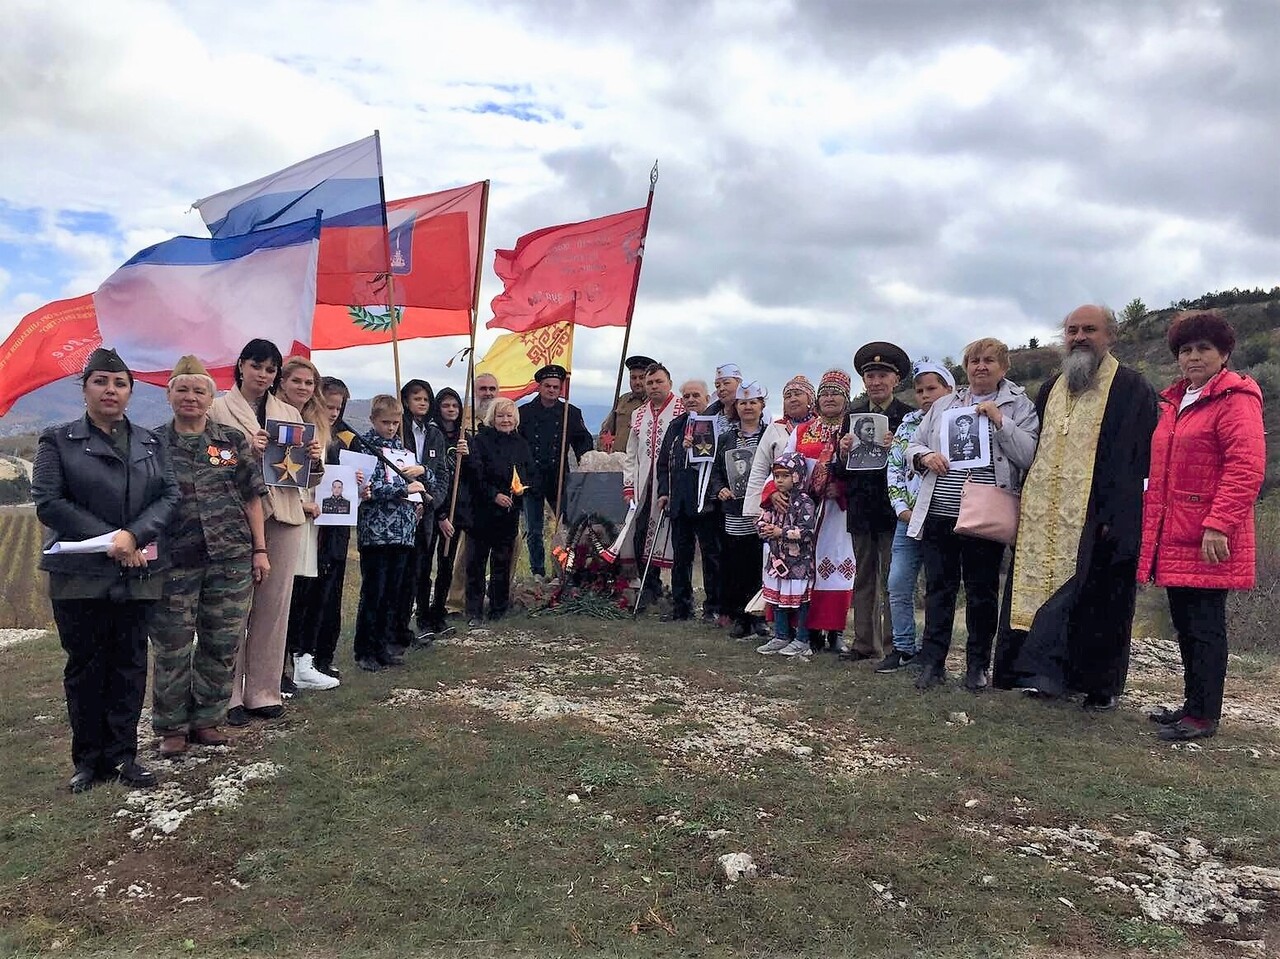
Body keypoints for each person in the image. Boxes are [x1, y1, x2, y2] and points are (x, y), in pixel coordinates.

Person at [993, 305, 1159, 708]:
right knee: (1040, 594)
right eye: (1072, 330)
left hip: (1098, 515)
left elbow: (1135, 458)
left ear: (1110, 336)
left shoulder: (1131, 388)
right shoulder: (1050, 388)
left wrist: (1115, 515)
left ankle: (1099, 687)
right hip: (1044, 514)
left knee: (1102, 599)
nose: (1079, 337)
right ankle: (1041, 674)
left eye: (1089, 330)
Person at [32, 347, 179, 792]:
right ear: (85, 388)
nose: (110, 390)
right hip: (81, 576)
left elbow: (169, 496)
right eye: (100, 381)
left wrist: (133, 536)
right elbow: (49, 501)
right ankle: (88, 762)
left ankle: (123, 756)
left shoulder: (153, 442)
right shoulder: (56, 440)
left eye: (119, 383)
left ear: (131, 391)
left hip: (138, 572)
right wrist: (111, 539)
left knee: (130, 665)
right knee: (86, 667)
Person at [1139, 313, 1265, 741]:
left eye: (1203, 349)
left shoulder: (1236, 399)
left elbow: (1246, 468)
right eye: (1186, 350)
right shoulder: (1177, 402)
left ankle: (1204, 715)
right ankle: (1192, 706)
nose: (1193, 357)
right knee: (1186, 624)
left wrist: (1219, 524)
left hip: (1210, 536)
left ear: (1223, 353)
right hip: (1173, 533)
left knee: (1205, 625)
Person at [149, 355, 269, 758]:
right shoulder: (152, 444)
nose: (191, 397)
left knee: (222, 641)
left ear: (210, 396)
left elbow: (252, 497)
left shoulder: (230, 442)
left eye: (199, 390)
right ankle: (171, 726)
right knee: (173, 645)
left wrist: (260, 549)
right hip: (173, 560)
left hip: (229, 557)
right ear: (169, 395)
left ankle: (207, 719)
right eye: (182, 389)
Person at [906, 338, 1040, 691]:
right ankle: (932, 663)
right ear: (965, 367)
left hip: (986, 512)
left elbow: (1029, 455)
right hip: (941, 508)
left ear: (1004, 367)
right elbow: (914, 443)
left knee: (982, 592)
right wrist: (923, 458)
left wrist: (1000, 422)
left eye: (989, 361)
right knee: (939, 588)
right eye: (974, 361)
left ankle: (977, 666)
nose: (981, 366)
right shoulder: (945, 403)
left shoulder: (1019, 405)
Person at [210, 339, 323, 725]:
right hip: (236, 515)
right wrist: (244, 451)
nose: (263, 375)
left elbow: (307, 477)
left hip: (286, 514)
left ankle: (263, 690)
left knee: (274, 607)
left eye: (270, 369)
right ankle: (228, 695)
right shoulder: (218, 409)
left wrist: (314, 461)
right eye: (256, 366)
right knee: (233, 607)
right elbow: (209, 459)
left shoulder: (288, 412)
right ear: (240, 366)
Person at [760, 369, 856, 653]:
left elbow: (864, 472)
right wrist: (773, 492)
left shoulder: (851, 430)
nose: (829, 398)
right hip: (799, 512)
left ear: (846, 399)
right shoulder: (803, 431)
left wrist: (843, 490)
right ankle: (801, 630)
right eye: (824, 393)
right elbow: (782, 465)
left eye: (835, 393)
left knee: (835, 568)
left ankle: (835, 631)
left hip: (837, 514)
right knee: (797, 568)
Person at [837, 342, 914, 662]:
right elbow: (839, 470)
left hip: (894, 509)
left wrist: (900, 447)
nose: (876, 382)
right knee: (864, 577)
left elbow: (917, 466)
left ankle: (895, 644)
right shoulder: (852, 416)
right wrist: (842, 452)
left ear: (896, 380)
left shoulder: (908, 416)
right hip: (860, 507)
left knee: (894, 579)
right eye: (870, 376)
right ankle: (864, 642)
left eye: (882, 375)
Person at [878, 362, 955, 673]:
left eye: (932, 389)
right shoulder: (909, 425)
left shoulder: (958, 421)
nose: (925, 395)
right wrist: (902, 509)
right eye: (920, 390)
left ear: (949, 390)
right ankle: (903, 647)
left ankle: (933, 652)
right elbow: (895, 469)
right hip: (908, 520)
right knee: (898, 583)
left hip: (942, 516)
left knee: (938, 586)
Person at [353, 395, 428, 671]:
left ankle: (384, 646)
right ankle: (365, 650)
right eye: (386, 422)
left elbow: (422, 483)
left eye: (396, 423)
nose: (391, 428)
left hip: (403, 530)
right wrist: (401, 489)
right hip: (376, 531)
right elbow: (365, 489)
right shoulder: (364, 446)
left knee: (394, 593)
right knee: (374, 591)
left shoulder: (403, 450)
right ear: (374, 420)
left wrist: (422, 471)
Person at [279, 356, 340, 694]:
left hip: (311, 518)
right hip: (285, 514)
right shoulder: (273, 416)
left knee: (303, 591)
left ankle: (299, 662)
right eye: (296, 381)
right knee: (280, 595)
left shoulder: (317, 424)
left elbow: (317, 473)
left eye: (308, 383)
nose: (303, 388)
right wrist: (298, 503)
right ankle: (275, 667)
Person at [609, 363, 683, 598]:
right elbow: (631, 454)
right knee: (641, 533)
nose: (653, 386)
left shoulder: (682, 410)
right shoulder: (638, 414)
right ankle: (647, 585)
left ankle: (680, 592)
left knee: (675, 538)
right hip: (643, 484)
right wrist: (629, 486)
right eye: (649, 382)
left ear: (669, 383)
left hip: (672, 484)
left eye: (658, 381)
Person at [463, 398, 536, 624]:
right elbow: (475, 474)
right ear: (492, 418)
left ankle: (498, 609)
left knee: (502, 563)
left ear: (515, 418)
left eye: (509, 416)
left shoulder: (521, 443)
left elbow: (529, 472)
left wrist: (523, 488)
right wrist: (494, 495)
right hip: (482, 512)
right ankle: (474, 611)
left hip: (509, 513)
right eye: (500, 416)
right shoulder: (480, 441)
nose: (505, 420)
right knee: (476, 563)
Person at [518, 364, 593, 579]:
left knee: (567, 528)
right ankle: (538, 571)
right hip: (531, 479)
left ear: (561, 389)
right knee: (534, 529)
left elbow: (583, 440)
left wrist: (586, 461)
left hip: (560, 478)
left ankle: (565, 569)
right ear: (539, 387)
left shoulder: (571, 412)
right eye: (547, 386)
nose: (552, 390)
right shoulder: (523, 413)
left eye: (556, 387)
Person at [656, 380, 721, 622]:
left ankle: (713, 607)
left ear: (707, 398)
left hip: (705, 502)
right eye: (686, 396)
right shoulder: (676, 426)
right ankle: (681, 607)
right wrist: (664, 492)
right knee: (680, 557)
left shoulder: (715, 425)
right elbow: (663, 463)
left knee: (710, 556)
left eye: (696, 395)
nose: (691, 400)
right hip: (679, 501)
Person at [309, 377, 361, 679]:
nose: (332, 413)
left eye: (338, 408)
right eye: (328, 405)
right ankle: (305, 655)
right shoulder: (312, 438)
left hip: (338, 528)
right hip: (314, 526)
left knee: (333, 593)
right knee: (312, 594)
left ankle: (325, 655)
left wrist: (359, 487)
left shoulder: (343, 440)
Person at [710, 381, 768, 638]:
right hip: (734, 510)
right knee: (735, 565)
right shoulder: (727, 438)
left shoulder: (771, 435)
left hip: (762, 511)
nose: (747, 407)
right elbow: (714, 472)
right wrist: (720, 489)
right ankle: (740, 617)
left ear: (762, 405)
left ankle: (760, 618)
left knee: (759, 564)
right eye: (743, 402)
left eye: (753, 402)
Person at [398, 378, 449, 649]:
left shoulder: (434, 434)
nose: (421, 402)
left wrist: (433, 501)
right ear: (405, 400)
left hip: (426, 511)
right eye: (416, 397)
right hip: (400, 510)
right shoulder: (399, 429)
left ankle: (409, 626)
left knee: (419, 568)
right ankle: (393, 627)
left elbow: (441, 473)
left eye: (426, 398)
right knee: (400, 572)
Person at [755, 453, 818, 658]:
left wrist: (781, 532)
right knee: (778, 601)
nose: (779, 480)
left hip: (798, 564)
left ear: (797, 476)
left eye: (785, 475)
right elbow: (761, 519)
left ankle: (802, 639)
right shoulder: (774, 501)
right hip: (777, 562)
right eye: (776, 476)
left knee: (800, 603)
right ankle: (781, 635)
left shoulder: (805, 502)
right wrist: (763, 528)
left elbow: (807, 531)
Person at [419, 386, 468, 636]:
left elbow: (469, 476)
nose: (451, 410)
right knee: (426, 564)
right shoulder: (431, 435)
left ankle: (440, 611)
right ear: (438, 408)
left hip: (456, 509)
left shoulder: (463, 437)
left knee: (447, 564)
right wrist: (439, 515)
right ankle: (423, 615)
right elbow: (432, 475)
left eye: (455, 406)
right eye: (446, 405)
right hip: (434, 510)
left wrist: (467, 456)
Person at [743, 375, 816, 526]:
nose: (793, 399)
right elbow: (760, 468)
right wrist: (769, 494)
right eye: (788, 396)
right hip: (780, 506)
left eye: (798, 394)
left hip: (816, 502)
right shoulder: (775, 428)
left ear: (810, 399)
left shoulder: (821, 427)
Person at [600, 354, 656, 453]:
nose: (637, 382)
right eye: (633, 378)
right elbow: (606, 431)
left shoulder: (656, 402)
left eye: (641, 377)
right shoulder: (622, 400)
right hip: (619, 461)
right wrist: (604, 450)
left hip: (643, 462)